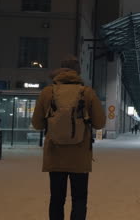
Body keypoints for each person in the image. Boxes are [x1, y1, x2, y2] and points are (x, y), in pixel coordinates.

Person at [32, 56, 106, 220]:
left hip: (55, 155)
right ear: (77, 71)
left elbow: (37, 124)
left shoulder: (47, 92)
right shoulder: (86, 92)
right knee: (79, 200)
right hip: (79, 157)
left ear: (60, 70)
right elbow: (100, 123)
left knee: (57, 200)